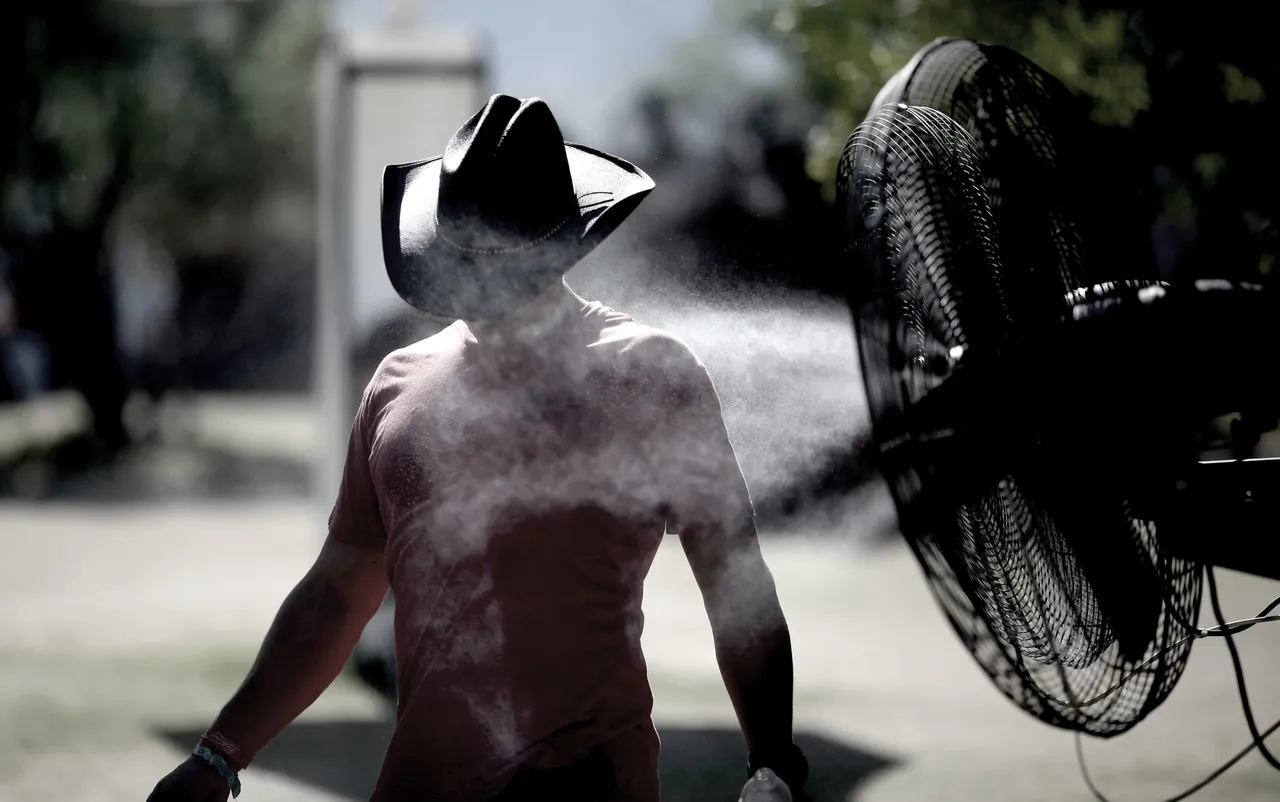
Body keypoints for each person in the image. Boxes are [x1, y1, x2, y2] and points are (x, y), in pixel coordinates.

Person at [145, 94, 807, 802]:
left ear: (558, 242)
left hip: (587, 784)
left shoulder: (650, 377)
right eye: (463, 245)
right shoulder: (398, 388)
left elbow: (735, 578)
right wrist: (221, 754)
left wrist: (772, 762)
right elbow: (337, 591)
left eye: (495, 249)